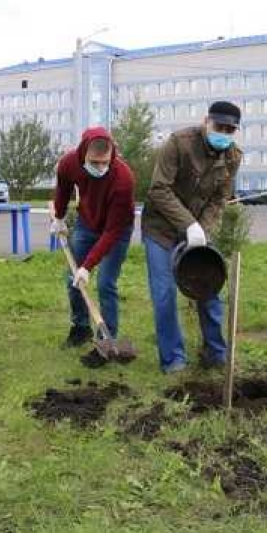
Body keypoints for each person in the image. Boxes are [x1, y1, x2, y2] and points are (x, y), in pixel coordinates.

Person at [141, 101, 242, 373]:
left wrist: (202, 229)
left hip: (197, 230)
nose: (223, 132)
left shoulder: (233, 156)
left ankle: (215, 354)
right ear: (205, 121)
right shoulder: (179, 143)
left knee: (209, 286)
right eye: (219, 126)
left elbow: (220, 199)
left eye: (230, 129)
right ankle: (173, 360)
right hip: (160, 228)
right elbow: (158, 189)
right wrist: (188, 224)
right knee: (164, 294)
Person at [51, 127, 136, 355]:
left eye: (104, 163)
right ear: (83, 154)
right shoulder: (69, 163)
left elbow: (111, 232)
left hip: (116, 230)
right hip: (87, 222)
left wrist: (88, 267)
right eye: (94, 162)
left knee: (106, 283)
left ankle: (107, 339)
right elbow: (63, 189)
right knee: (73, 278)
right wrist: (59, 217)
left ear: (112, 155)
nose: (100, 168)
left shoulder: (123, 178)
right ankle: (80, 329)